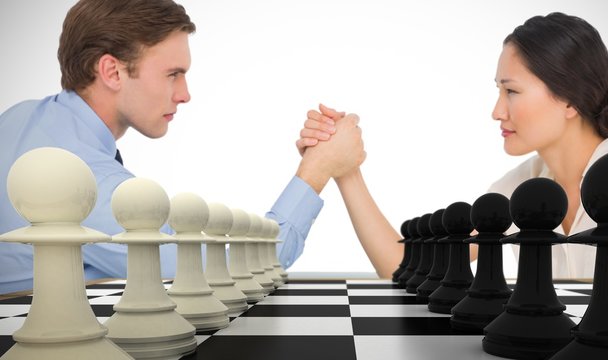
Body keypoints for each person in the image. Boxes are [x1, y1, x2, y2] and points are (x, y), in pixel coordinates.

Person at [0, 0, 364, 294]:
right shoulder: (82, 183)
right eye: (173, 74)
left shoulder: (19, 119)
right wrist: (318, 169)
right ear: (111, 71)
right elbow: (238, 272)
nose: (185, 94)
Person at [299, 12, 608, 289]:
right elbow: (404, 268)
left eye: (511, 91)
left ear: (570, 100)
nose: (497, 111)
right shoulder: (522, 187)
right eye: (498, 91)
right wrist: (345, 170)